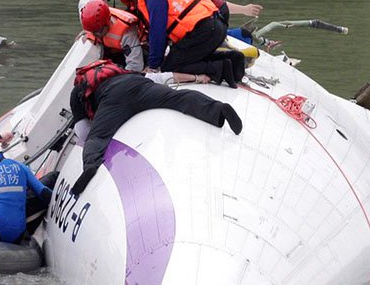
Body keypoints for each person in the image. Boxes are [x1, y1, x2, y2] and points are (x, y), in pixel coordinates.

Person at [68, 59, 243, 195]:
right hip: (140, 85)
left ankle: (90, 167)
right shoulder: (122, 71)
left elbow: (83, 131)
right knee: (178, 98)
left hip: (112, 100)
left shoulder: (78, 91)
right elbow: (160, 78)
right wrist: (195, 78)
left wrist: (101, 127)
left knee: (97, 137)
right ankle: (218, 110)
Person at [119, 0, 245, 88]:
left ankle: (219, 68)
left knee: (170, 66)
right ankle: (233, 59)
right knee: (185, 57)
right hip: (217, 23)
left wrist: (153, 66)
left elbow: (158, 33)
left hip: (203, 32)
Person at [79, 0, 213, 85]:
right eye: (93, 31)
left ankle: (201, 75)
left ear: (107, 22)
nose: (96, 34)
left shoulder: (126, 33)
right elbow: (84, 3)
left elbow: (135, 67)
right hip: (116, 50)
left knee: (145, 75)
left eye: (99, 31)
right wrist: (88, 33)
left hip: (142, 54)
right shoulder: (92, 18)